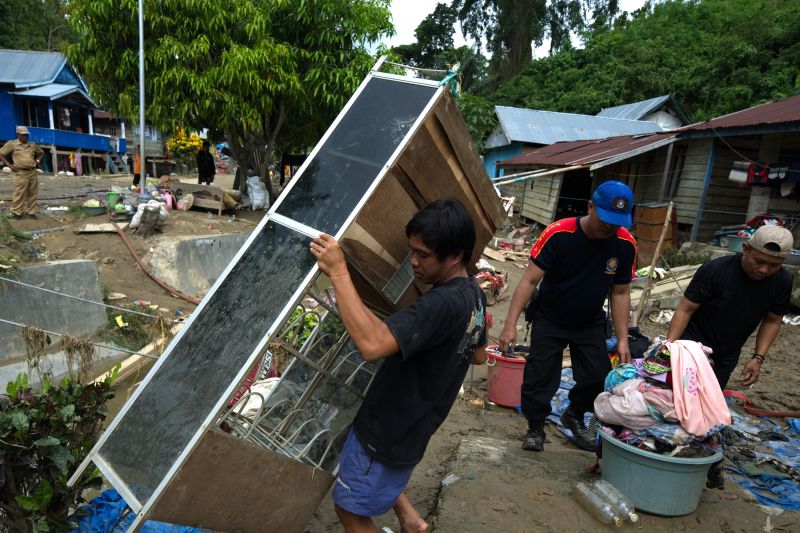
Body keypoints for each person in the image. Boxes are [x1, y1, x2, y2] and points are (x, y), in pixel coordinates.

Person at [310, 198, 488, 533]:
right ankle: (411, 520)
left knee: (349, 509)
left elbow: (373, 345)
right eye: (412, 251)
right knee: (379, 476)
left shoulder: (440, 303)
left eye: (423, 255)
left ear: (455, 256)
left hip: (389, 429)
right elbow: (478, 354)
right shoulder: (473, 294)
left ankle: (407, 518)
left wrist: (338, 271)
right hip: (416, 423)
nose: (414, 262)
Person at [498, 181, 637, 452]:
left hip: (589, 321)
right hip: (550, 317)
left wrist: (623, 339)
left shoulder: (624, 244)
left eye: (616, 222)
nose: (609, 227)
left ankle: (573, 414)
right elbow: (529, 280)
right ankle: (535, 427)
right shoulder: (559, 233)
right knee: (540, 376)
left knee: (599, 378)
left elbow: (620, 292)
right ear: (590, 207)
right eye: (605, 219)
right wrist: (509, 324)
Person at [666, 225, 793, 390]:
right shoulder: (715, 270)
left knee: (709, 402)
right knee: (677, 396)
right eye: (759, 261)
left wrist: (758, 358)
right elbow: (685, 309)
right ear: (746, 249)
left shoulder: (782, 281)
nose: (764, 270)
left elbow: (773, 320)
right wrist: (669, 346)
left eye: (774, 265)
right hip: (691, 345)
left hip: (728, 354)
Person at [0, 126, 45, 219]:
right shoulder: (12, 144)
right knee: (19, 193)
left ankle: (31, 212)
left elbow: (41, 153)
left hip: (32, 172)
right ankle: (16, 212)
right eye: (23, 135)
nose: (25, 137)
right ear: (18, 134)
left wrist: (37, 161)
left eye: (26, 135)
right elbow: (1, 154)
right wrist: (9, 165)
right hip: (20, 172)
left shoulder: (32, 145)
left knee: (33, 193)